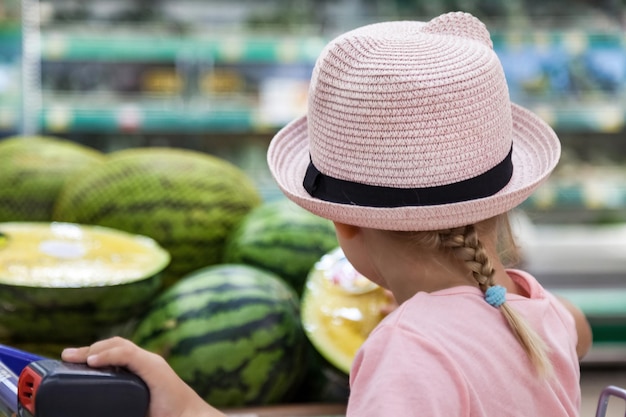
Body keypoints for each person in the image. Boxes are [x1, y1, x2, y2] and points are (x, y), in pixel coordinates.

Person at [62, 11, 593, 416]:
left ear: (344, 223)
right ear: (501, 208)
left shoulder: (409, 354)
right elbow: (576, 328)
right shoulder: (538, 313)